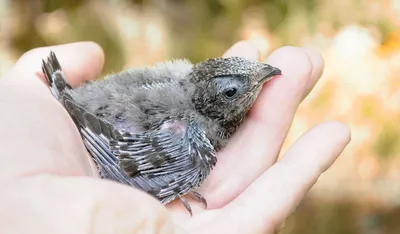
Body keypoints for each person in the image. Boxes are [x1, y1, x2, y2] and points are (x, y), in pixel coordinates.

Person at [0, 41, 350, 234]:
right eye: (231, 91)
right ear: (213, 100)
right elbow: (118, 158)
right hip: (92, 133)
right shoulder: (191, 144)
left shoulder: (183, 77)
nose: (261, 81)